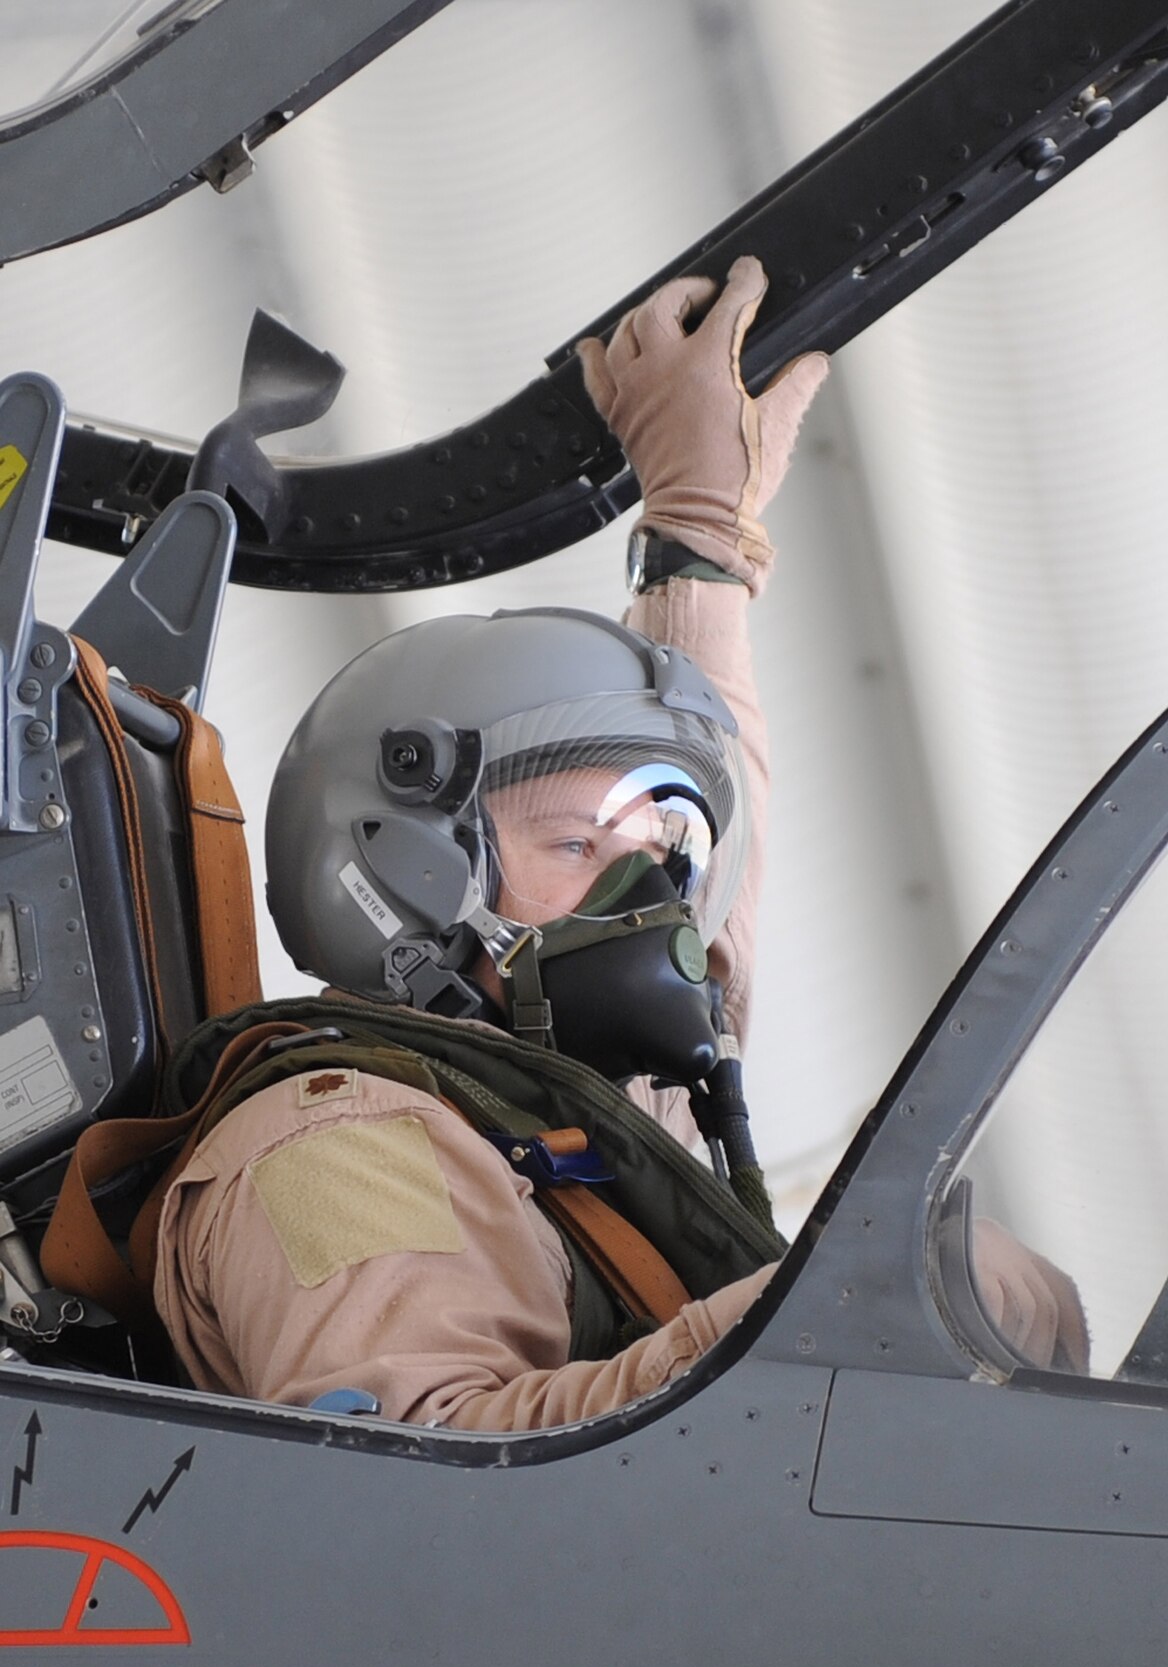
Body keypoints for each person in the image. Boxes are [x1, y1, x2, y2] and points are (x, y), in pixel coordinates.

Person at [152, 258, 1086, 1429]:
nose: (651, 894)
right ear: (397, 882)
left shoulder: (579, 1115)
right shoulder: (341, 1144)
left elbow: (715, 827)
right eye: (580, 846)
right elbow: (417, 1481)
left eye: (665, 853)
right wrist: (802, 1320)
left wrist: (700, 538)